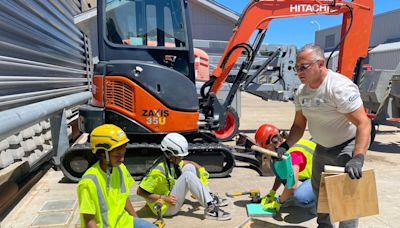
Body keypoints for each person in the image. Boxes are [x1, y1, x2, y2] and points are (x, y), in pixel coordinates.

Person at [279, 44, 371, 228]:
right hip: (321, 148)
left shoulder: (338, 87)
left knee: (346, 200)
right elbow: (298, 125)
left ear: (320, 63)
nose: (298, 72)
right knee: (322, 195)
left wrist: (358, 157)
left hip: (346, 146)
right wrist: (285, 145)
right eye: (296, 67)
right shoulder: (302, 92)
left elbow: (363, 123)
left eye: (303, 67)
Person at [137, 133, 232, 221]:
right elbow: (140, 192)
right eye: (179, 156)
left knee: (189, 168)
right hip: (165, 208)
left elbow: (189, 163)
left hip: (170, 199)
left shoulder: (170, 161)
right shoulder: (157, 172)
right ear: (169, 154)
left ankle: (209, 197)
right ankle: (210, 209)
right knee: (188, 176)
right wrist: (164, 198)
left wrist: (201, 169)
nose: (181, 158)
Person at [77, 124, 155, 228]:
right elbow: (89, 220)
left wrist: (136, 219)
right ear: (102, 153)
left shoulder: (120, 168)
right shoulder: (88, 183)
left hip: (123, 222)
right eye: (117, 155)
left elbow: (124, 197)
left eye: (123, 154)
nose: (122, 159)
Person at [255, 124, 316, 212]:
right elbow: (281, 173)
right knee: (275, 163)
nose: (266, 152)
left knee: (301, 196)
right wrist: (272, 192)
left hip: (320, 177)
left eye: (266, 148)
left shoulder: (294, 154)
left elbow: (292, 185)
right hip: (306, 176)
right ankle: (288, 195)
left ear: (273, 142)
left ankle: (318, 202)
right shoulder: (283, 147)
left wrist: (280, 202)